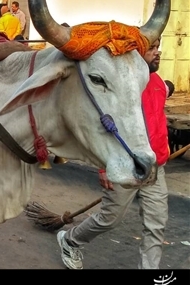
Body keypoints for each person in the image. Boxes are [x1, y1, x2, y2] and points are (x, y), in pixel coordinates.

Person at [57, 37, 170, 270]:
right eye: (152, 48)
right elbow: (105, 125)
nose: (157, 52)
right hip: (123, 163)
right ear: (136, 53)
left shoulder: (158, 84)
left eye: (158, 47)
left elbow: (165, 98)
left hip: (155, 168)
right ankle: (70, 240)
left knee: (156, 226)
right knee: (110, 218)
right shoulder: (120, 87)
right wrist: (103, 166)